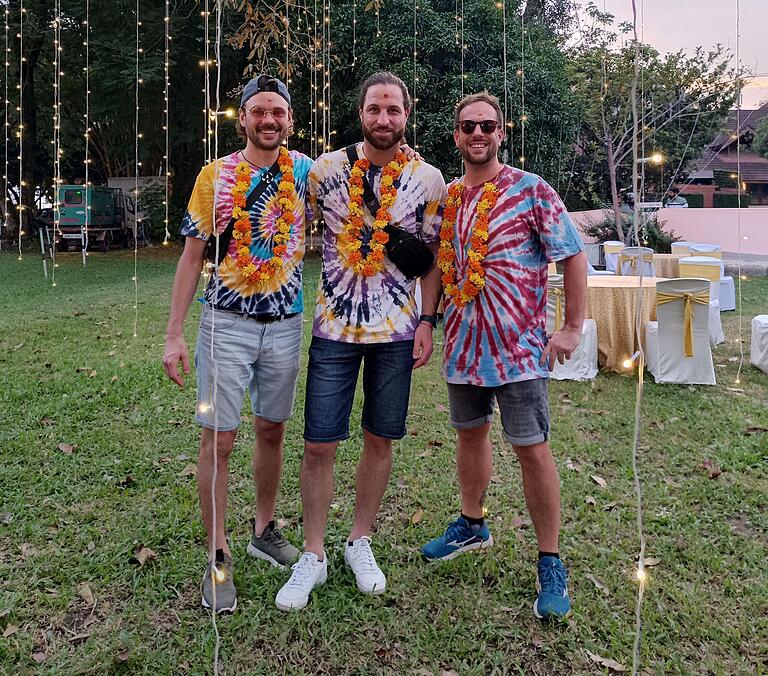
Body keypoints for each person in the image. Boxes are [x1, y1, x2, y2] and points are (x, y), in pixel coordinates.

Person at [274, 71, 447, 611]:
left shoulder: (429, 178)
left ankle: (359, 541)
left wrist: (427, 321)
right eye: (375, 109)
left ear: (406, 116)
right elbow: (281, 209)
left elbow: (433, 259)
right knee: (319, 442)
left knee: (380, 437)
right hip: (334, 329)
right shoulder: (323, 170)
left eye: (393, 110)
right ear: (361, 114)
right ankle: (314, 554)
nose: (383, 119)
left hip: (397, 331)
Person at [420, 92, 587, 621]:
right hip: (463, 347)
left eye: (487, 125)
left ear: (501, 132)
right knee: (470, 435)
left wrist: (572, 326)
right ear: (456, 135)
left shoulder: (531, 190)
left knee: (532, 448)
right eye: (468, 125)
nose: (478, 133)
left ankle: (551, 560)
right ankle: (472, 524)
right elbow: (433, 266)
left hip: (518, 351)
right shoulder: (446, 199)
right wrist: (427, 321)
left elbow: (572, 254)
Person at [162, 75, 311, 613]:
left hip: (287, 323)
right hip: (225, 324)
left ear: (290, 121)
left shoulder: (306, 173)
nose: (269, 120)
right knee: (218, 439)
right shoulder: (215, 175)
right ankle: (218, 553)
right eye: (258, 111)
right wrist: (175, 333)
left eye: (279, 112)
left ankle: (264, 529)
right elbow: (191, 256)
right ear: (242, 118)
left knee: (272, 428)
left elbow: (363, 175)